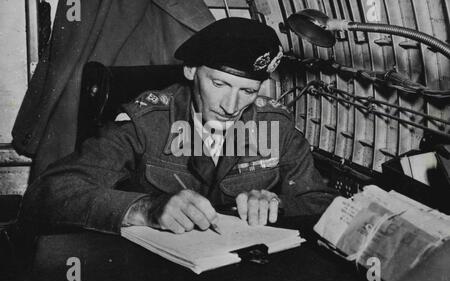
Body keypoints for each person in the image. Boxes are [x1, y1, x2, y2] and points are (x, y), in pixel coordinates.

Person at [19, 17, 337, 236]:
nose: (231, 106)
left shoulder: (276, 126)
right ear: (190, 70)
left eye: (248, 91)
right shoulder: (147, 122)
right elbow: (46, 195)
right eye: (219, 84)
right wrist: (144, 209)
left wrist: (278, 204)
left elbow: (318, 201)